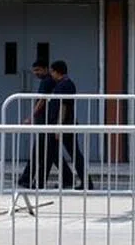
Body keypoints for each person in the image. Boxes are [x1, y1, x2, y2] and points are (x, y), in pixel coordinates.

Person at [44, 60, 92, 190]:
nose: (51, 74)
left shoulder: (65, 85)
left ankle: (85, 182)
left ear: (57, 71)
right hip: (62, 124)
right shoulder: (62, 84)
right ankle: (68, 178)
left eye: (52, 71)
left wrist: (59, 126)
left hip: (65, 125)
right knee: (52, 152)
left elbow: (63, 106)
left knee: (74, 154)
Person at [15, 60, 55, 188]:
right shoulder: (49, 80)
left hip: (45, 120)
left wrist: (31, 116)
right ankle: (67, 177)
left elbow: (42, 100)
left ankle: (28, 179)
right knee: (49, 151)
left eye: (38, 70)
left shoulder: (47, 81)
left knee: (40, 150)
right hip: (46, 120)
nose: (35, 73)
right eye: (34, 71)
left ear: (45, 69)